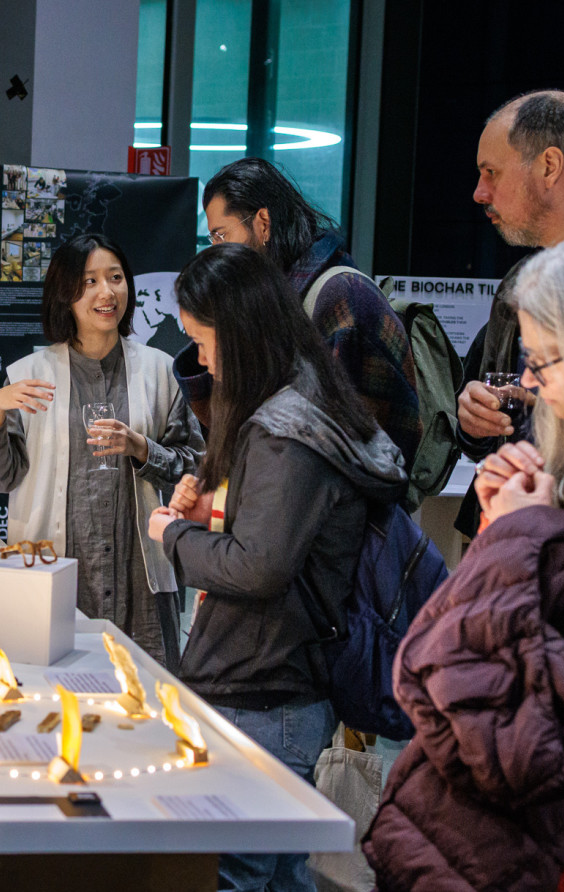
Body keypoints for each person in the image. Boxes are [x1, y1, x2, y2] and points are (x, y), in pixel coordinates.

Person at [364, 231, 564, 892]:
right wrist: (508, 528)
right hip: (554, 814)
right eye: (529, 362)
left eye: (546, 362)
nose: (532, 387)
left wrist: (518, 538)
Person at [149, 244, 406, 892]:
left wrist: (173, 535)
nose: (202, 360)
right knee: (280, 873)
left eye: (203, 342)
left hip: (264, 691)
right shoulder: (308, 401)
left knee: (238, 875)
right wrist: (214, 500)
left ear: (238, 332)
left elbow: (260, 566)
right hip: (283, 688)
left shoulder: (285, 429)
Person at [0, 233, 204, 670]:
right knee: (54, 705)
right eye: (90, 281)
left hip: (140, 580)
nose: (106, 292)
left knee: (143, 705)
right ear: (65, 295)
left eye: (115, 278)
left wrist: (141, 448)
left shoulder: (159, 371)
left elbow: (194, 465)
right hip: (55, 572)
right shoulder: (30, 376)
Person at [455, 89, 564, 536]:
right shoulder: (518, 285)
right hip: (514, 545)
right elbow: (481, 433)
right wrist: (474, 418)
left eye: (491, 172)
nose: (479, 192)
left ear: (549, 166)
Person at [180, 157, 421, 474]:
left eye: (221, 236)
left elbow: (357, 449)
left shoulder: (341, 295)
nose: (216, 251)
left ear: (263, 223)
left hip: (329, 511)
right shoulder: (272, 302)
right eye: (211, 240)